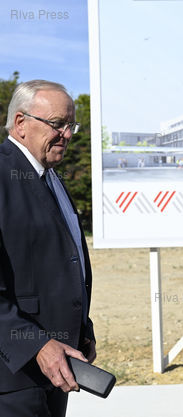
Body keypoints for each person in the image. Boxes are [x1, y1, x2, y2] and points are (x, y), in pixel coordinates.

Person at [0, 80, 97, 416]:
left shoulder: (51, 178)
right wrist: (36, 344)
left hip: (56, 369)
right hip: (12, 378)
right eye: (57, 124)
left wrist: (82, 328)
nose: (67, 135)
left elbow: (61, 262)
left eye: (71, 125)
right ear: (21, 123)